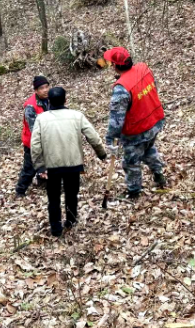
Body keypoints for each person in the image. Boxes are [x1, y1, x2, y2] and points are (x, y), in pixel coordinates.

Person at [31, 87, 107, 237]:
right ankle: (71, 220)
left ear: (49, 101)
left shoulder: (41, 119)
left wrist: (40, 166)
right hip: (73, 163)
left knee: (53, 198)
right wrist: (101, 153)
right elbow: (93, 136)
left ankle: (56, 228)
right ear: (66, 100)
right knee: (72, 193)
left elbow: (35, 145)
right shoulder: (76, 116)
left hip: (52, 165)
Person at [103, 47, 167, 199]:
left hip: (136, 132)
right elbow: (153, 88)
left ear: (115, 66)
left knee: (131, 162)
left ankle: (134, 192)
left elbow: (116, 119)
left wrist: (110, 139)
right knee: (149, 149)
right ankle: (159, 174)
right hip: (154, 122)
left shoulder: (121, 88)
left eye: (112, 63)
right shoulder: (144, 69)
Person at [15, 76, 51, 196]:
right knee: (29, 168)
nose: (45, 90)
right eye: (42, 88)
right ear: (36, 91)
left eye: (47, 87)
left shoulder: (50, 99)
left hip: (47, 138)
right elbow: (35, 130)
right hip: (32, 142)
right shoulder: (30, 107)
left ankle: (43, 181)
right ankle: (20, 191)